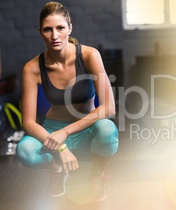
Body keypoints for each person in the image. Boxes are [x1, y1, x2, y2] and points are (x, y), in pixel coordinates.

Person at [16, 1, 119, 201]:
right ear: (40, 31)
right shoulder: (32, 68)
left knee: (107, 131)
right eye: (48, 30)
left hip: (85, 130)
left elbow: (109, 108)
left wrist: (66, 132)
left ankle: (97, 176)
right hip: (53, 130)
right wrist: (60, 145)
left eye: (60, 28)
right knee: (25, 151)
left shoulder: (89, 55)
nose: (55, 36)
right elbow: (27, 122)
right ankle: (56, 169)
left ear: (69, 28)